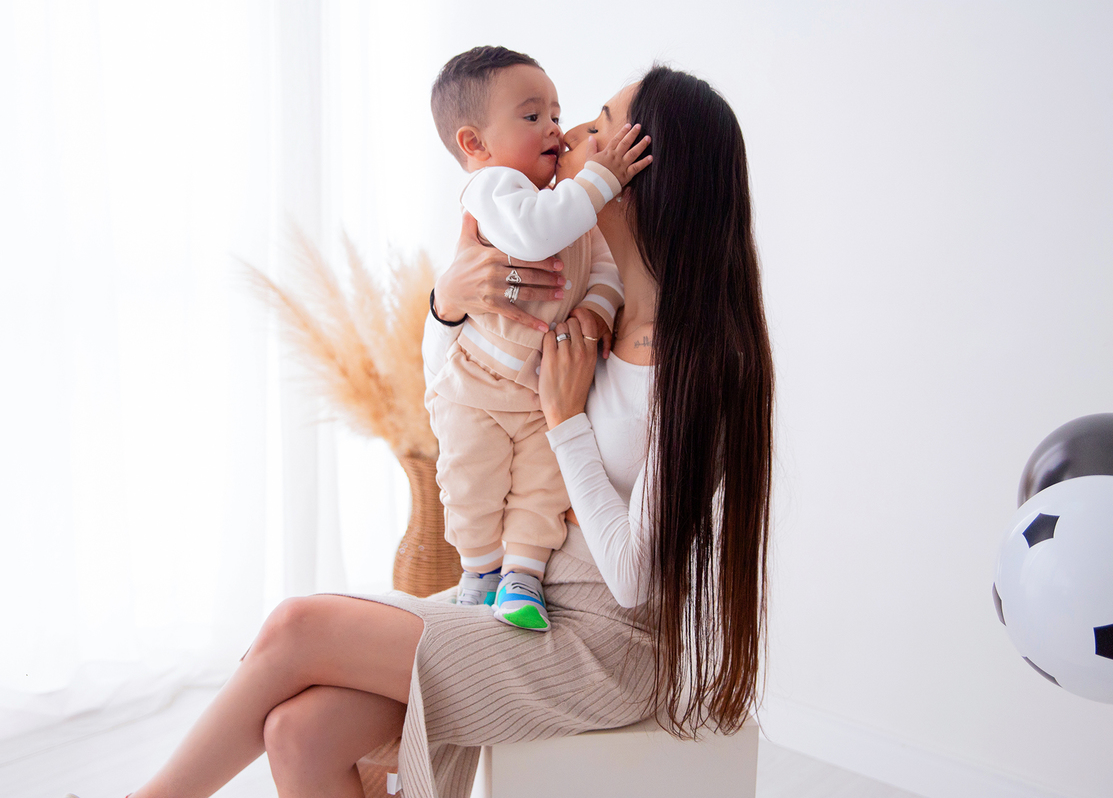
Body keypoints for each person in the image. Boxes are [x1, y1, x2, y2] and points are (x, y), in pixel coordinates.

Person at [121, 64, 772, 798]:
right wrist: (447, 308)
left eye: (598, 125)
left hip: (601, 646)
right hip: (523, 601)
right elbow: (459, 396)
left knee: (294, 626)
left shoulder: (694, 365)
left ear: (649, 173)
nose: (573, 138)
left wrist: (563, 423)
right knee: (299, 731)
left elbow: (630, 577)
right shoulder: (592, 302)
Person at [426, 45, 651, 632]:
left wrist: (599, 312)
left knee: (541, 488)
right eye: (533, 118)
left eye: (557, 113)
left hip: (533, 395)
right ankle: (478, 572)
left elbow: (603, 271)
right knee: (471, 482)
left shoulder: (569, 212)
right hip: (478, 385)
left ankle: (521, 576)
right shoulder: (495, 191)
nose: (557, 129)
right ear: (475, 145)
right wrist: (602, 180)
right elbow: (531, 236)